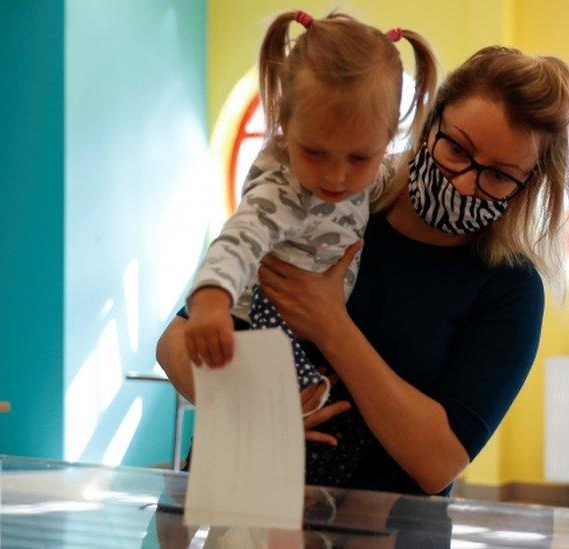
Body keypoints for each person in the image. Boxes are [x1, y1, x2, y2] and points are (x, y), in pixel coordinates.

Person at [158, 45, 569, 496]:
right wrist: (250, 407)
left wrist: (332, 328)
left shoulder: (510, 286)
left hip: (388, 530)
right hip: (243, 503)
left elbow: (438, 462)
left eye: (498, 176)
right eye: (457, 148)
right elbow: (176, 344)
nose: (463, 182)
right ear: (427, 123)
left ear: (528, 185)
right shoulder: (336, 203)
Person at [179, 10, 439, 482]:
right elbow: (239, 239)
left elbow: (388, 177)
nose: (335, 177)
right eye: (314, 151)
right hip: (254, 326)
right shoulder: (282, 187)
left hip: (303, 329)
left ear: (387, 139)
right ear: (284, 122)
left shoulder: (368, 171)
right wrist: (211, 301)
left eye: (360, 157)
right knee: (288, 449)